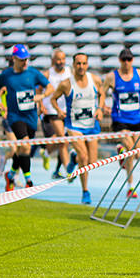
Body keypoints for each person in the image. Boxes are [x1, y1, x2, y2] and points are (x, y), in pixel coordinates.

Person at [100, 47, 140, 199]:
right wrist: (101, 106)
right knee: (131, 150)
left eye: (129, 59)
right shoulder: (112, 77)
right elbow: (102, 92)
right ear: (119, 60)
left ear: (133, 60)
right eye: (123, 60)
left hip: (137, 120)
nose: (126, 63)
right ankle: (131, 187)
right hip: (120, 120)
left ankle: (121, 151)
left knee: (136, 154)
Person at [49, 52, 103, 204]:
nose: (81, 67)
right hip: (74, 126)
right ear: (73, 65)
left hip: (92, 125)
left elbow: (102, 94)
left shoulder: (95, 80)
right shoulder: (67, 83)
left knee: (91, 162)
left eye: (84, 63)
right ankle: (85, 191)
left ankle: (73, 158)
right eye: (78, 64)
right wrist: (59, 111)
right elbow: (53, 98)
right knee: (84, 158)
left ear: (87, 64)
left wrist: (99, 108)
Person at [0, 44, 49, 192]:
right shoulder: (6, 75)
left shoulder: (33, 73)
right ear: (14, 59)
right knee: (25, 145)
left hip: (31, 116)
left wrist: (42, 96)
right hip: (14, 116)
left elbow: (49, 86)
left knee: (22, 149)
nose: (25, 62)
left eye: (26, 59)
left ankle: (11, 175)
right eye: (21, 59)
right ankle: (29, 180)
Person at [41, 49, 73, 179]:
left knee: (63, 141)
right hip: (52, 110)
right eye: (58, 59)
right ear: (53, 60)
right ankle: (68, 171)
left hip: (67, 110)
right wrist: (41, 105)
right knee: (62, 138)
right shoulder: (48, 74)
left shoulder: (70, 72)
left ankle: (47, 152)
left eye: (63, 59)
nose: (61, 62)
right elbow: (38, 90)